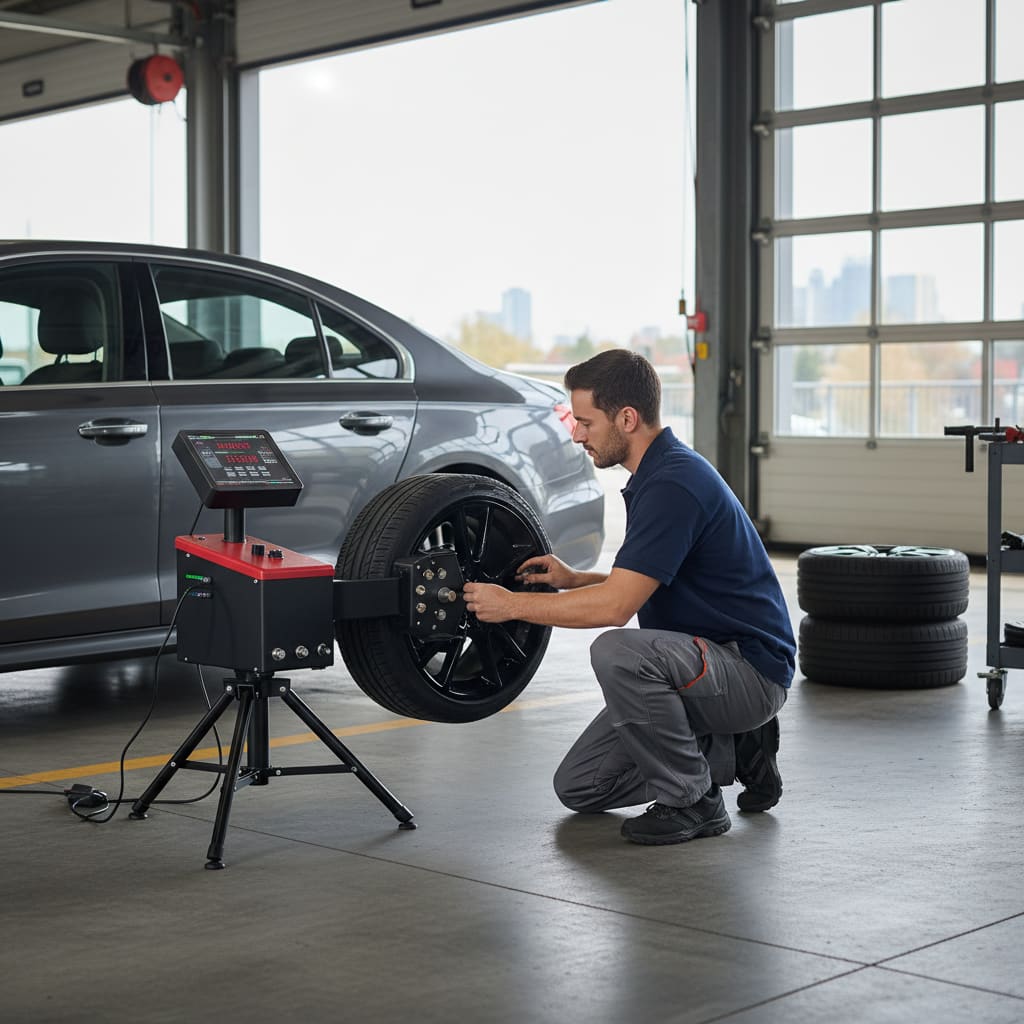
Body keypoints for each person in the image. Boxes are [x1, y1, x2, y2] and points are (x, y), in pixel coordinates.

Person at [462, 349, 795, 846]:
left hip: (747, 670)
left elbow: (616, 608)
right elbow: (642, 581)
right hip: (706, 665)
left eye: (585, 422)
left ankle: (694, 801)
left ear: (627, 418)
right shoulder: (660, 475)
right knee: (579, 785)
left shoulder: (674, 484)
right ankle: (731, 748)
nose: (577, 435)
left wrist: (507, 605)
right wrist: (577, 580)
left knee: (617, 649)